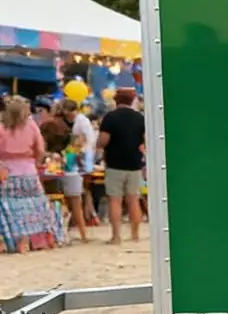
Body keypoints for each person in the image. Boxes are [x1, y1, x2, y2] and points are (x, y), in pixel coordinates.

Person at [0, 95, 60, 253]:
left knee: (10, 208)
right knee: (33, 207)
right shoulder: (31, 125)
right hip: (29, 170)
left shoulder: (1, 126)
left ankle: (13, 240)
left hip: (6, 171)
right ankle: (32, 239)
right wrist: (37, 162)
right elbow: (40, 150)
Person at [97, 87, 145, 245]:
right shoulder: (140, 118)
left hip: (115, 163)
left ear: (116, 100)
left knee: (115, 200)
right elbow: (145, 140)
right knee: (133, 199)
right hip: (134, 163)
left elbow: (103, 141)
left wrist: (100, 146)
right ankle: (135, 234)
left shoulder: (110, 117)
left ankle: (116, 236)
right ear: (132, 100)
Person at [59, 98, 95, 242]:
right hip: (77, 159)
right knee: (80, 194)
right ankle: (81, 225)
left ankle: (83, 225)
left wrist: (76, 150)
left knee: (78, 195)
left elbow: (85, 140)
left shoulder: (82, 121)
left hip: (80, 159)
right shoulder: (77, 122)